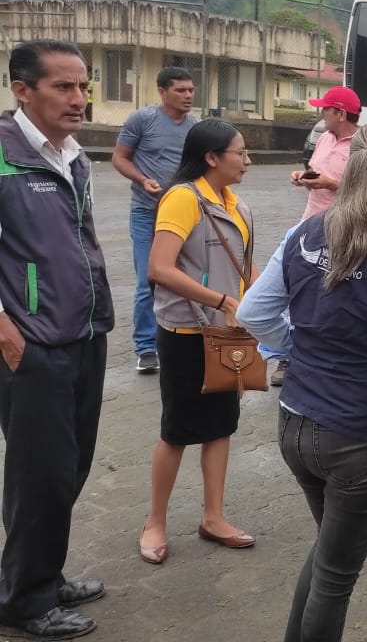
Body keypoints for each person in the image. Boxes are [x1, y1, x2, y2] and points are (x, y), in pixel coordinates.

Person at [237, 120, 367, 642]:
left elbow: (253, 312)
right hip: (360, 436)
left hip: (296, 423)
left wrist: (292, 349)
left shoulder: (306, 232)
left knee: (328, 552)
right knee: (336, 575)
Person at [0, 40, 114, 640]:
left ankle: (40, 572)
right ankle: (24, 601)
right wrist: (7, 331)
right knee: (39, 475)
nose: (79, 99)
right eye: (63, 87)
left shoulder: (73, 156)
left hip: (84, 332)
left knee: (69, 466)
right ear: (22, 90)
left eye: (83, 86)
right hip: (32, 341)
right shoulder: (4, 154)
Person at [138, 118, 257, 566]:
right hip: (186, 333)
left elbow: (247, 270)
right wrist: (221, 300)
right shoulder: (183, 198)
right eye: (239, 153)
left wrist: (268, 304)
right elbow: (160, 268)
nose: (247, 161)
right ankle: (154, 522)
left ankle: (213, 517)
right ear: (211, 157)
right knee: (177, 431)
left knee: (221, 426)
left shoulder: (238, 205)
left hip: (227, 334)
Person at [266, 86, 361, 388]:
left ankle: (320, 358)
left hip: (342, 231)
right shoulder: (324, 138)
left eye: (325, 109)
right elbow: (315, 171)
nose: (321, 114)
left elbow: (365, 192)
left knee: (329, 294)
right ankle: (287, 355)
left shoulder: (362, 148)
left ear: (340, 113)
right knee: (296, 287)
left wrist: (331, 184)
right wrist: (304, 177)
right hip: (309, 225)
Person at [111, 67, 198, 374]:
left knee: (187, 277)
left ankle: (180, 336)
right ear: (162, 91)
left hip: (183, 215)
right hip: (146, 213)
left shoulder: (195, 127)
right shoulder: (142, 120)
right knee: (148, 280)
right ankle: (146, 347)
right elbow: (119, 157)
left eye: (191, 90)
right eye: (180, 90)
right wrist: (142, 179)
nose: (188, 95)